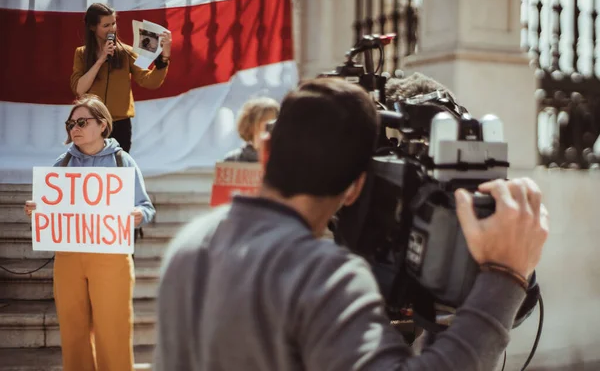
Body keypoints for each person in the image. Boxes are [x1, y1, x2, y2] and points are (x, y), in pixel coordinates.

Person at [153, 78, 549, 370]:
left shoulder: (190, 244)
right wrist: (504, 276)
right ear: (356, 187)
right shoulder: (325, 278)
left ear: (267, 150)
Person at [24, 95, 155, 371]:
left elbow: (147, 207)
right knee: (73, 331)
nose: (75, 128)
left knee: (113, 329)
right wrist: (39, 209)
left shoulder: (122, 161)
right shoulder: (62, 162)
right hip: (69, 257)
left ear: (103, 125)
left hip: (111, 257)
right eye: (71, 123)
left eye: (82, 122)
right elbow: (51, 206)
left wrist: (138, 214)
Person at [70, 2, 172, 153]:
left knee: (118, 171)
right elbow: (79, 89)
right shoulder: (82, 54)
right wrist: (101, 60)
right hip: (91, 122)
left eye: (113, 23)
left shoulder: (126, 53)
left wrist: (164, 59)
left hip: (120, 124)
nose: (112, 29)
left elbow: (149, 81)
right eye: (106, 25)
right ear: (92, 27)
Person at [223, 97, 280, 162]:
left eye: (274, 124)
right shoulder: (232, 161)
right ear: (250, 126)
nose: (271, 128)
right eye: (266, 124)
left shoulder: (285, 162)